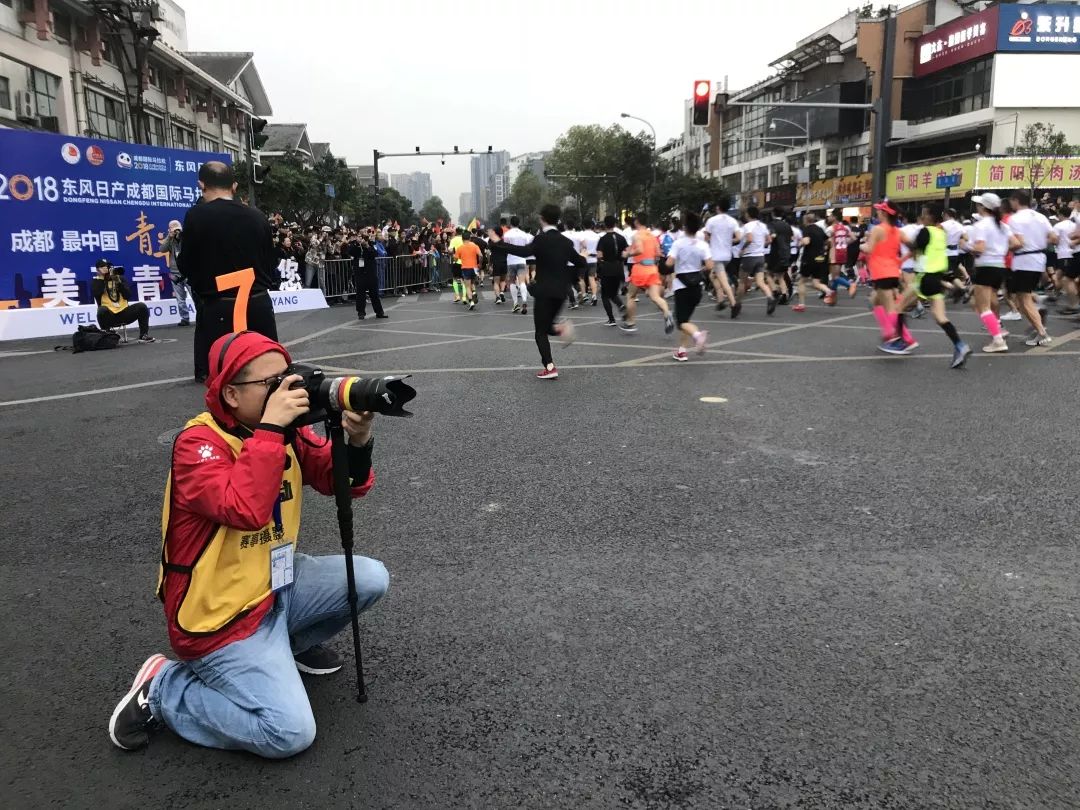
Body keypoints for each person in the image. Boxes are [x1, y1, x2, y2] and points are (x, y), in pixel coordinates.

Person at [108, 330, 390, 758]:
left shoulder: (283, 431)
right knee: (289, 732)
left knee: (370, 578)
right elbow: (244, 509)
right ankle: (165, 688)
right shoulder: (197, 444)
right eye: (270, 384)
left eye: (287, 376)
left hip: (271, 589)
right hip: (218, 618)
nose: (287, 390)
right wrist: (273, 429)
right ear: (231, 394)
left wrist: (357, 440)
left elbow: (344, 484)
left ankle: (284, 647)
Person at [178, 162, 279, 383]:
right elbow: (271, 261)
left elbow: (186, 264)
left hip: (220, 306)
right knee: (269, 372)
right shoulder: (257, 216)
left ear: (201, 185)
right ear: (234, 186)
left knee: (224, 380)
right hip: (258, 304)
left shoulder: (197, 216)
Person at [487, 203, 586, 380]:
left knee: (540, 331)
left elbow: (523, 252)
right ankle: (562, 330)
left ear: (542, 219)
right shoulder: (565, 242)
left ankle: (549, 366)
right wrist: (582, 257)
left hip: (544, 291)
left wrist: (498, 243)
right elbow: (580, 262)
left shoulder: (541, 240)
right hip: (561, 292)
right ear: (558, 219)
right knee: (547, 327)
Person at [893, 204, 971, 368]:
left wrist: (903, 240)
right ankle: (960, 345)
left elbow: (914, 248)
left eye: (923, 215)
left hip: (923, 278)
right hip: (936, 278)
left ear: (929, 217)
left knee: (898, 307)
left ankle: (902, 342)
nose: (921, 218)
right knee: (940, 317)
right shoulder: (941, 234)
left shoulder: (925, 231)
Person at [963, 193, 1015, 353]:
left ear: (982, 207)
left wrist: (965, 245)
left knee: (982, 306)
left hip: (985, 266)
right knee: (989, 302)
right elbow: (1017, 243)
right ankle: (998, 330)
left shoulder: (982, 225)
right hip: (1000, 266)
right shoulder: (1003, 225)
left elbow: (979, 249)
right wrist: (1000, 250)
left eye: (979, 205)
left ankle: (998, 339)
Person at [862, 201, 916, 354]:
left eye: (879, 211)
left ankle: (902, 339)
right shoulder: (898, 231)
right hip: (892, 272)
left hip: (881, 272)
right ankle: (891, 335)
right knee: (875, 301)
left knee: (891, 308)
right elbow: (913, 248)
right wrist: (901, 260)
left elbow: (869, 249)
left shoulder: (877, 229)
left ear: (884, 213)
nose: (877, 213)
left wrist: (861, 246)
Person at [1007, 190, 1053, 346]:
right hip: (1038, 259)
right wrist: (1038, 242)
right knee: (1022, 299)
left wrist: (1005, 247)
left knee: (1024, 299)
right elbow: (1054, 238)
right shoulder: (1040, 216)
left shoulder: (1015, 218)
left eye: (1011, 201)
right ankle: (1038, 319)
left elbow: (1018, 243)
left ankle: (1042, 332)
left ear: (1015, 200)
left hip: (1024, 260)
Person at [665, 211, 712, 361]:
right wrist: (698, 269)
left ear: (685, 227)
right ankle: (681, 351)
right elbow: (710, 265)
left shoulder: (679, 243)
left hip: (681, 286)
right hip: (697, 286)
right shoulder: (703, 244)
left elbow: (669, 263)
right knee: (686, 319)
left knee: (682, 322)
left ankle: (698, 336)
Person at [621, 215, 674, 334]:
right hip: (652, 268)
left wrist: (627, 254)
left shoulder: (637, 235)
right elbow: (658, 253)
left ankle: (631, 322)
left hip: (640, 268)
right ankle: (667, 313)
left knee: (631, 296)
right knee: (655, 297)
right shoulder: (652, 236)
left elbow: (639, 250)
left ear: (637, 222)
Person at [92, 259, 155, 342]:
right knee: (101, 310)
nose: (107, 269)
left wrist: (118, 282)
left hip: (124, 312)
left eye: (108, 267)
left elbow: (128, 295)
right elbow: (97, 292)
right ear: (97, 270)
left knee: (141, 306)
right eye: (103, 267)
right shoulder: (96, 281)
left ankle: (143, 335)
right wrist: (102, 277)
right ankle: (107, 337)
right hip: (109, 316)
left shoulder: (120, 278)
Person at [703, 198, 741, 316]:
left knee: (723, 281)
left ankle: (734, 304)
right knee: (713, 276)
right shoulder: (733, 221)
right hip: (727, 255)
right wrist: (728, 240)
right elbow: (738, 238)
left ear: (718, 207)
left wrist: (712, 241)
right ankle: (720, 301)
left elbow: (706, 237)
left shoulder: (711, 220)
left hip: (716, 255)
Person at [739, 206, 776, 315]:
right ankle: (770, 297)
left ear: (748, 214)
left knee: (742, 281)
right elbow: (769, 240)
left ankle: (737, 303)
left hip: (749, 256)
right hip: (760, 256)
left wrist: (743, 249)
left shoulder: (747, 226)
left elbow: (749, 239)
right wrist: (760, 246)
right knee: (760, 281)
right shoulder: (763, 225)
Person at [793, 213, 831, 313]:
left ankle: (801, 304)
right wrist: (823, 247)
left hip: (809, 258)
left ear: (806, 220)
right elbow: (828, 240)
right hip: (820, 258)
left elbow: (806, 242)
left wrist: (799, 243)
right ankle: (829, 292)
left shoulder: (807, 229)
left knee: (801, 281)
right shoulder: (819, 229)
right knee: (816, 282)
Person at [596, 215, 629, 326]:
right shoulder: (621, 238)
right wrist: (621, 259)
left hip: (607, 268)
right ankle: (621, 305)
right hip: (618, 267)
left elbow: (600, 255)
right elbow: (626, 252)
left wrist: (601, 262)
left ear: (605, 225)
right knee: (613, 293)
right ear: (615, 224)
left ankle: (611, 319)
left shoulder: (603, 239)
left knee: (605, 294)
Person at [159, 220, 191, 327]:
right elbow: (162, 249)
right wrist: (169, 236)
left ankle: (201, 317)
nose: (175, 230)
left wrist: (182, 235)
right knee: (180, 299)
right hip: (175, 273)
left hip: (188, 272)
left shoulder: (186, 237)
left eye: (176, 228)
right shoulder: (170, 240)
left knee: (195, 296)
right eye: (172, 228)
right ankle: (184, 318)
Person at [349, 233, 387, 321]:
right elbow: (350, 252)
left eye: (364, 237)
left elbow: (375, 254)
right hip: (360, 273)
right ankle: (361, 313)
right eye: (360, 237)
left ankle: (379, 312)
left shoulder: (371, 244)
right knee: (360, 294)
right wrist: (357, 244)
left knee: (374, 293)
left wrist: (367, 246)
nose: (363, 239)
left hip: (371, 272)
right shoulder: (354, 245)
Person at [503, 216, 532, 314]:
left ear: (510, 223)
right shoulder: (524, 234)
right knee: (522, 282)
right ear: (519, 223)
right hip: (521, 260)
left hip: (511, 261)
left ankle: (515, 303)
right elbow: (528, 245)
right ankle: (524, 300)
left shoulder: (507, 234)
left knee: (511, 282)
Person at [767, 208, 792, 305]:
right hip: (786, 252)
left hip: (776, 253)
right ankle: (784, 295)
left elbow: (772, 235)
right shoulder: (787, 225)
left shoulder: (772, 224)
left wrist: (766, 242)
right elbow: (791, 238)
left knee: (768, 274)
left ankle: (775, 291)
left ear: (773, 214)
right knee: (780, 276)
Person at [454, 231, 483, 311]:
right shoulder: (474, 246)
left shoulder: (460, 247)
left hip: (465, 268)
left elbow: (455, 259)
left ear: (462, 239)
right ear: (470, 238)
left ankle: (471, 301)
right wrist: (480, 264)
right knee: (473, 282)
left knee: (467, 286)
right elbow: (481, 255)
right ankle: (474, 292)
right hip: (474, 268)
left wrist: (454, 256)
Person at [448, 228, 465, 303]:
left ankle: (457, 296)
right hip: (465, 262)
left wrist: (451, 254)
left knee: (455, 279)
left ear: (456, 232)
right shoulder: (465, 239)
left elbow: (450, 250)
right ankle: (464, 297)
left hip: (456, 261)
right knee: (463, 280)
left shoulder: (453, 240)